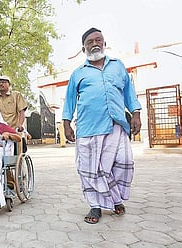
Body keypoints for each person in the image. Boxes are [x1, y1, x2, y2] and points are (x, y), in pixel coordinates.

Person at [62, 27, 142, 224]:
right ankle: (96, 206)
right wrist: (66, 125)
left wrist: (136, 114)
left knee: (122, 164)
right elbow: (69, 101)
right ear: (84, 49)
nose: (95, 44)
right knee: (90, 169)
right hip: (88, 128)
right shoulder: (77, 73)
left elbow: (129, 93)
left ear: (104, 43)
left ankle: (115, 199)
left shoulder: (118, 65)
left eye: (98, 40)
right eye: (90, 42)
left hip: (116, 125)